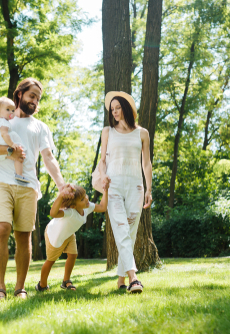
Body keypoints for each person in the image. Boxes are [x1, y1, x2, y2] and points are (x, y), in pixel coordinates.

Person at [0, 78, 72, 301]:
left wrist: (61, 186)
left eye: (38, 98)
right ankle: (0, 289)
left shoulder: (40, 127)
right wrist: (9, 151)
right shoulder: (1, 119)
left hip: (28, 185)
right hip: (1, 181)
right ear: (20, 95)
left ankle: (20, 289)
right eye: (31, 96)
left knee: (23, 236)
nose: (35, 101)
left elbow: (48, 158)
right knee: (0, 228)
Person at [99, 91, 153, 294]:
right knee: (121, 228)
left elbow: (146, 163)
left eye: (117, 108)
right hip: (113, 186)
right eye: (112, 109)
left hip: (136, 186)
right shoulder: (107, 132)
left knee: (129, 232)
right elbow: (102, 160)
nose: (114, 112)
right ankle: (133, 278)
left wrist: (149, 188)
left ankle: (120, 278)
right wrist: (103, 175)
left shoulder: (142, 133)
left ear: (126, 108)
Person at [36, 182, 109, 292]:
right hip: (55, 236)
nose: (86, 199)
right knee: (51, 261)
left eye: (85, 196)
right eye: (82, 199)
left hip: (69, 234)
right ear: (74, 206)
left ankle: (66, 281)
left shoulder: (87, 207)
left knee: (73, 255)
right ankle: (42, 285)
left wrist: (105, 190)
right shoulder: (70, 212)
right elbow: (53, 213)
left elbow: (103, 207)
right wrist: (61, 195)